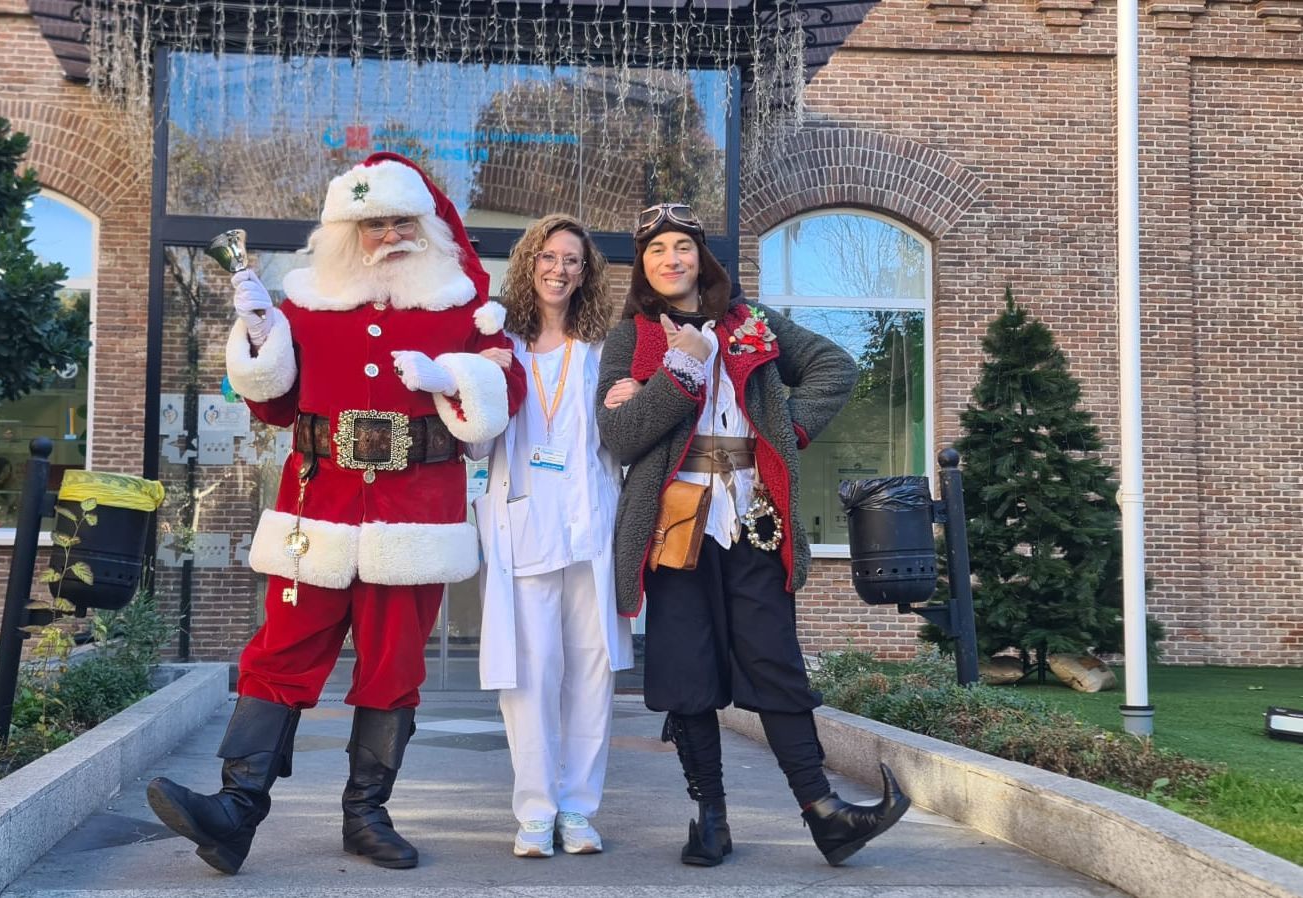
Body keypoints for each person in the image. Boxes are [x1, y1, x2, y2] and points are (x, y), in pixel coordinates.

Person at [145, 152, 526, 876]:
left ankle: (366, 813)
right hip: (315, 507)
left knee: (393, 662)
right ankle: (235, 811)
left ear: (425, 227)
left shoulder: (463, 310)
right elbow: (274, 402)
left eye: (400, 223)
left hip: (413, 514)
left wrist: (454, 374)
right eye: (372, 224)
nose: (387, 236)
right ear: (345, 233)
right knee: (280, 651)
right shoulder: (305, 304)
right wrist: (258, 335)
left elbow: (499, 400)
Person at [596, 203, 910, 868]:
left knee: (775, 663)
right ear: (644, 267)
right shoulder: (631, 337)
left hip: (752, 518)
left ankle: (823, 812)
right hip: (673, 527)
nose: (671, 259)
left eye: (682, 246)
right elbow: (620, 437)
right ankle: (710, 818)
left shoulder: (753, 321)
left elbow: (836, 366)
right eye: (657, 251)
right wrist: (679, 375)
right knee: (686, 671)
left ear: (700, 256)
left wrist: (785, 431)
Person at [471, 214, 633, 859]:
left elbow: (619, 439)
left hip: (591, 527)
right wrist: (477, 384)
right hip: (522, 525)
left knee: (591, 675)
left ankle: (579, 809)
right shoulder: (497, 344)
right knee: (529, 675)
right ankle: (535, 809)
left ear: (586, 272)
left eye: (572, 260)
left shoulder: (602, 351)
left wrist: (633, 396)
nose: (559, 269)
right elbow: (476, 441)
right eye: (549, 255)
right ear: (528, 262)